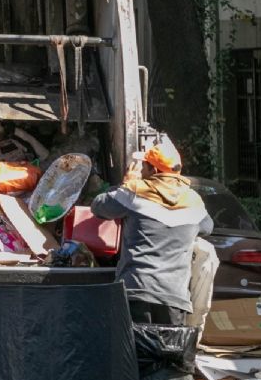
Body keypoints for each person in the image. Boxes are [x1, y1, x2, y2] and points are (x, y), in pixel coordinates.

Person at [91, 136, 213, 325]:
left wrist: (125, 184)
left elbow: (98, 207)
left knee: (131, 353)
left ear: (154, 170)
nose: (141, 170)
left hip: (136, 291)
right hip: (174, 298)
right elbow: (207, 228)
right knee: (167, 353)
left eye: (145, 165)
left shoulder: (135, 192)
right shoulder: (193, 201)